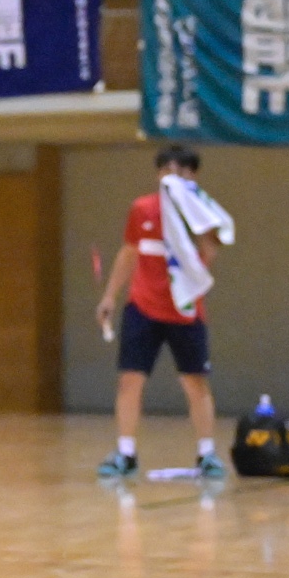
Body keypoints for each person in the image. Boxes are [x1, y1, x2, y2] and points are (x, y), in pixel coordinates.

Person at [94, 145, 231, 480]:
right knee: (130, 379)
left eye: (182, 171)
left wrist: (204, 240)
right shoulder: (142, 208)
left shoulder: (201, 213)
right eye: (167, 170)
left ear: (193, 176)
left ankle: (206, 454)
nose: (173, 176)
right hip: (142, 306)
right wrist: (110, 296)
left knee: (195, 382)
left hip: (185, 309)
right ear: (158, 175)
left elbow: (208, 255)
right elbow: (129, 252)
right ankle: (126, 452)